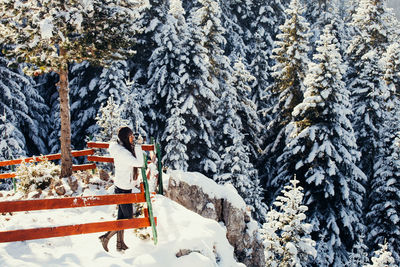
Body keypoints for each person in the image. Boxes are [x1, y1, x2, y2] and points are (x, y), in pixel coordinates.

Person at [99, 126, 144, 252]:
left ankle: (120, 244)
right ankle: (106, 237)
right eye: (131, 136)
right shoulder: (123, 153)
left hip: (122, 186)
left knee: (121, 217)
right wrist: (138, 146)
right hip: (123, 188)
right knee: (128, 217)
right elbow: (140, 163)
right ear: (125, 138)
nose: (133, 138)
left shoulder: (121, 148)